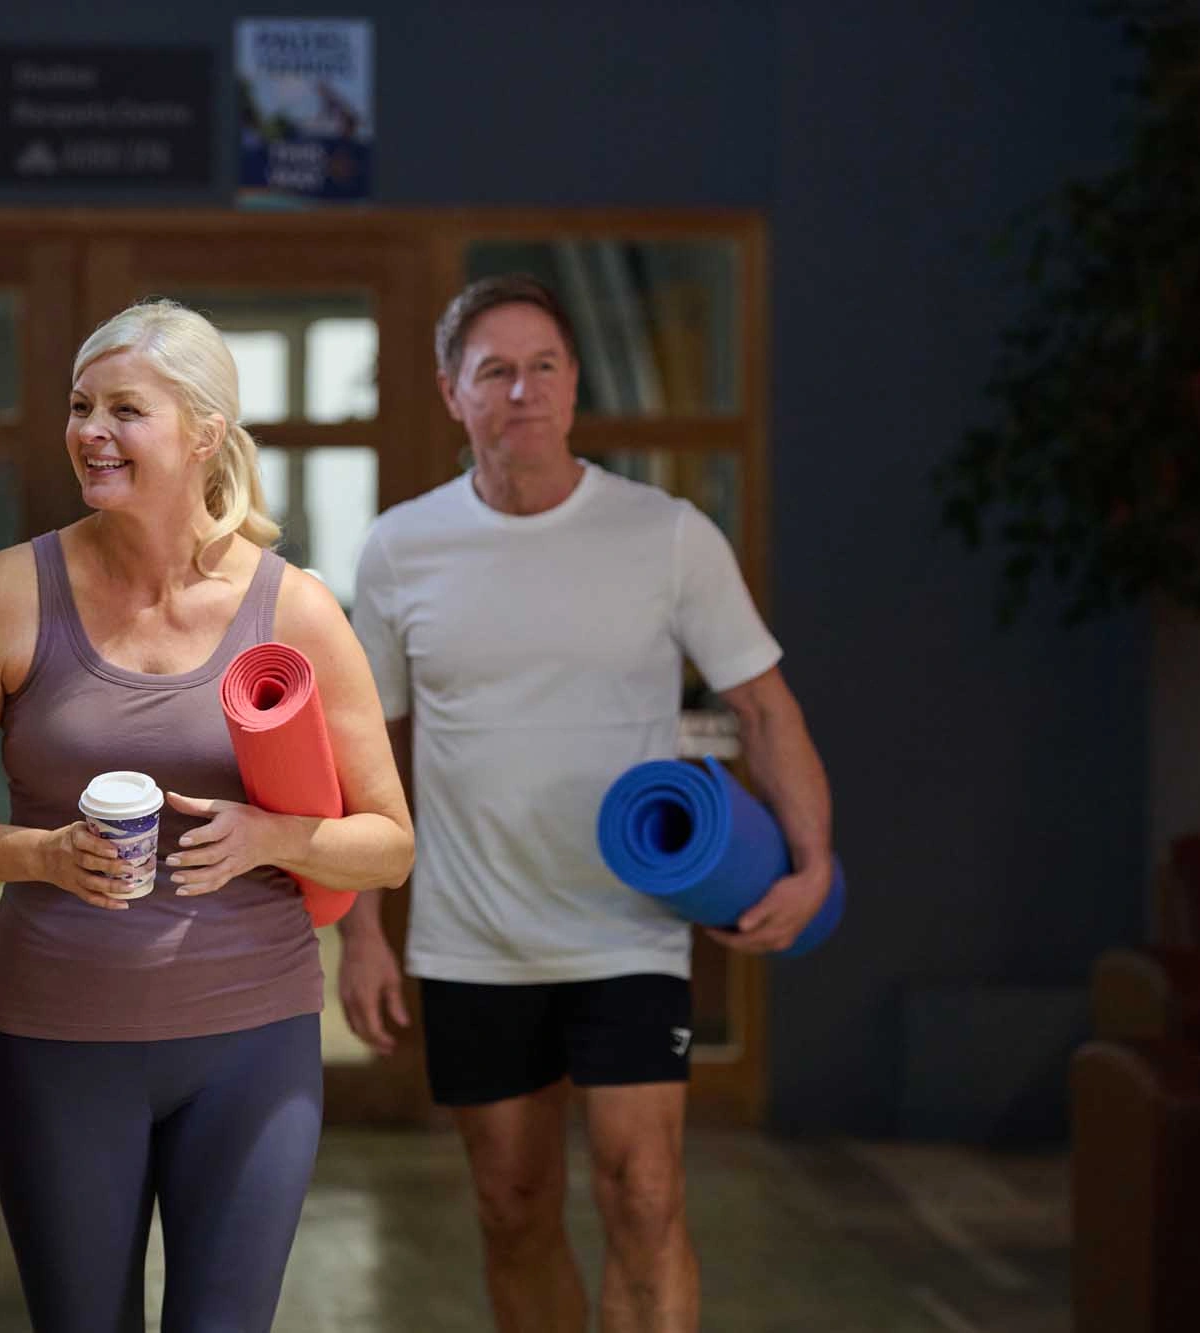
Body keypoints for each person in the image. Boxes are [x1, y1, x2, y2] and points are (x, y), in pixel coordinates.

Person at [338, 274, 835, 1333]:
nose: (523, 391)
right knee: (510, 1208)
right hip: (472, 937)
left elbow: (760, 702)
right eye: (495, 371)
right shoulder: (397, 547)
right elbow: (362, 748)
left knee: (643, 1194)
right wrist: (361, 933)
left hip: (630, 927)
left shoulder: (664, 534)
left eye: (545, 366)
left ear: (572, 386)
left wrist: (813, 860)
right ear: (450, 391)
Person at [0, 298, 414, 1333]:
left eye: (123, 410)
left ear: (203, 435)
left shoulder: (297, 609)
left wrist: (274, 836)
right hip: (57, 1032)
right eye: (79, 406)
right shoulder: (6, 595)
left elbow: (389, 844)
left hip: (252, 1042)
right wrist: (40, 855)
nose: (90, 430)